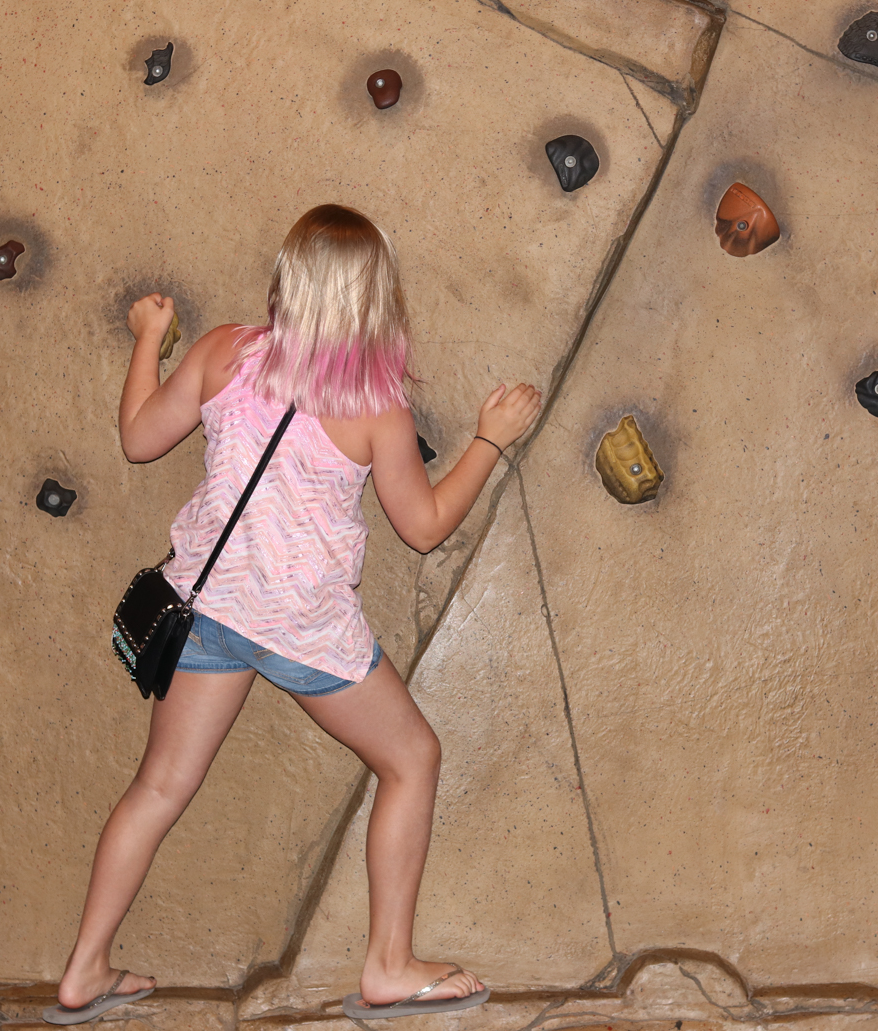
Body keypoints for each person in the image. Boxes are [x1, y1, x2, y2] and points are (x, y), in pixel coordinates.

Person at [44, 204, 541, 1025]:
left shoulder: (224, 351)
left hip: (207, 608)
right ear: (375, 295)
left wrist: (148, 337)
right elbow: (422, 526)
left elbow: (138, 437)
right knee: (412, 756)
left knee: (158, 786)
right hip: (301, 625)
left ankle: (83, 968)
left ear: (288, 278)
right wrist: (490, 439)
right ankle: (388, 964)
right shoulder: (374, 403)